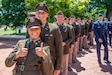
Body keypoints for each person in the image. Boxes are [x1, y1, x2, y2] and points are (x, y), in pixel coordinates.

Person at [35, 2, 63, 75]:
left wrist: (58, 67)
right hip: (34, 64)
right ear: (36, 14)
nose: (41, 15)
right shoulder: (31, 29)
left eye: (43, 13)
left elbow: (59, 49)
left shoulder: (54, 29)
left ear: (47, 14)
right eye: (39, 13)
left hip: (49, 63)